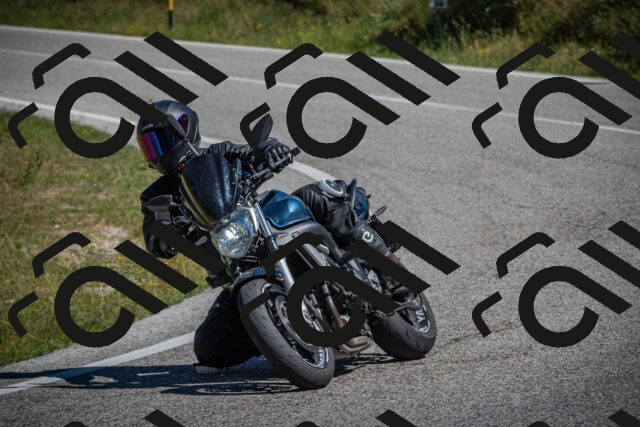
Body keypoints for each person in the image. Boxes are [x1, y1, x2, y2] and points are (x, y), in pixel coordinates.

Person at [137, 100, 398, 373]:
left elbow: (250, 152)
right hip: (238, 265)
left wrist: (271, 149)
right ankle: (278, 335)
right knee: (209, 348)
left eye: (162, 140)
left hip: (263, 228)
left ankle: (388, 272)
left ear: (185, 130)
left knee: (320, 196)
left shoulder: (219, 154)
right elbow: (154, 234)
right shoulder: (156, 195)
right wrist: (166, 235)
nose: (159, 151)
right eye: (151, 145)